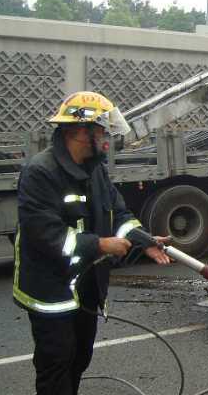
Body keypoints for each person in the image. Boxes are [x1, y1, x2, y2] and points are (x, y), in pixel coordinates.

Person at [14, 91, 171, 395]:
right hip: (51, 291)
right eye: (101, 131)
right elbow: (48, 236)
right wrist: (100, 245)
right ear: (78, 131)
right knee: (56, 364)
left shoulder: (94, 169)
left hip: (86, 288)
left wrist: (144, 242)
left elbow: (118, 214)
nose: (106, 139)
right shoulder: (40, 173)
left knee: (80, 357)